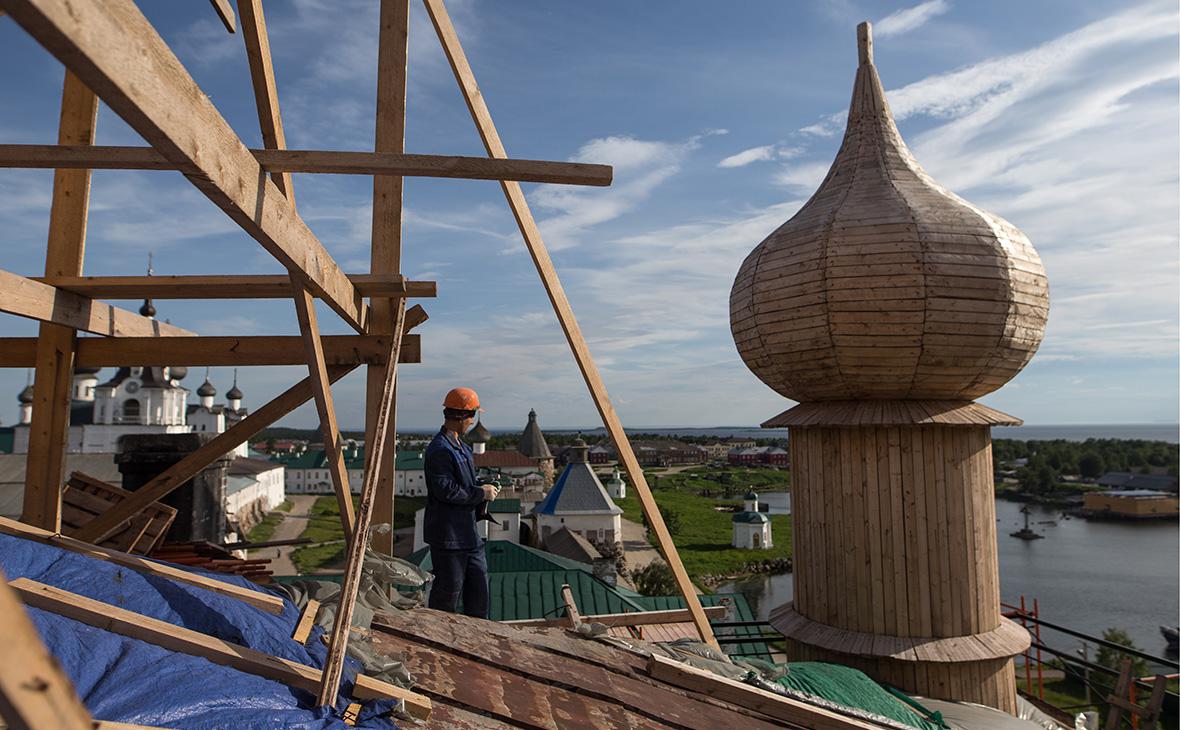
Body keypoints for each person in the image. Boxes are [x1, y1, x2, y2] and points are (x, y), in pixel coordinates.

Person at [423, 386, 500, 617]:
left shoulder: (462, 448)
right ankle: (438, 644)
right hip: (448, 539)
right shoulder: (440, 450)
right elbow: (446, 491)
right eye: (472, 416)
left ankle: (478, 643)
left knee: (479, 596)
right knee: (447, 598)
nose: (472, 422)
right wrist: (481, 494)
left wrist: (482, 486)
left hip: (468, 534)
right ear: (461, 417)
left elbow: (463, 483)